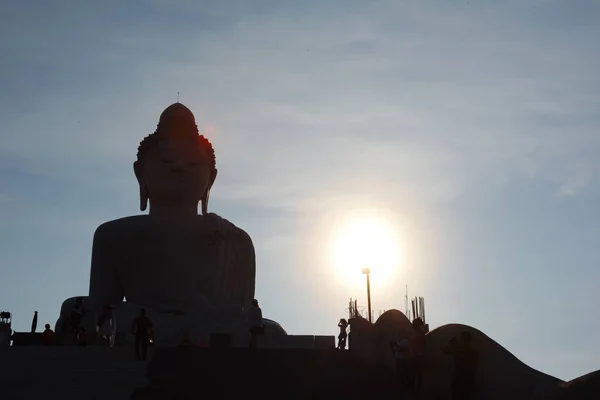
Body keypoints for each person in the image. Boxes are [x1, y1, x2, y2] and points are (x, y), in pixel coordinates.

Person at [443, 331, 478, 400]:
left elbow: (444, 351)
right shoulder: (474, 352)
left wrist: (452, 342)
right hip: (466, 382)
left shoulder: (457, 349)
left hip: (459, 381)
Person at [409, 318, 427, 395]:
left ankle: (416, 392)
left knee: (416, 374)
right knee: (415, 374)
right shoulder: (418, 333)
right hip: (416, 356)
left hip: (418, 356)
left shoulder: (420, 333)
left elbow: (422, 345)